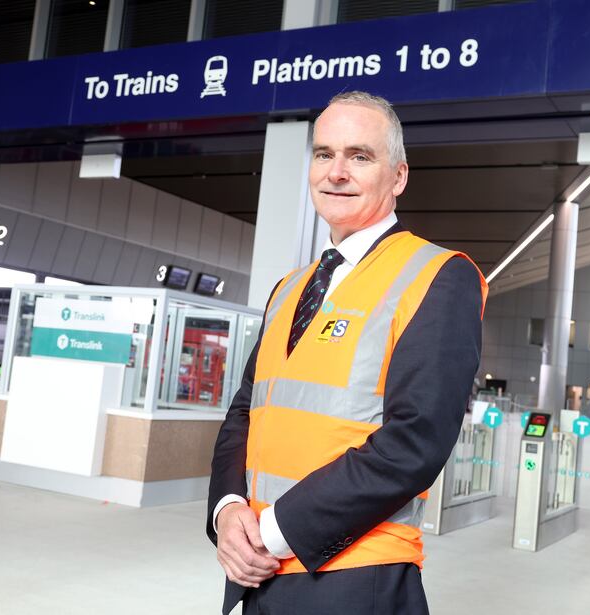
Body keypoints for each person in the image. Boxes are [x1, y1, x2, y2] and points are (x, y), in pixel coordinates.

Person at [207, 91, 488, 615]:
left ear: (398, 177)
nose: (336, 172)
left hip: (354, 578)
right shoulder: (289, 288)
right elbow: (245, 410)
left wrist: (271, 531)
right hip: (256, 573)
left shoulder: (438, 277)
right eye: (323, 154)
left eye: (360, 156)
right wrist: (227, 512)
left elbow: (413, 443)